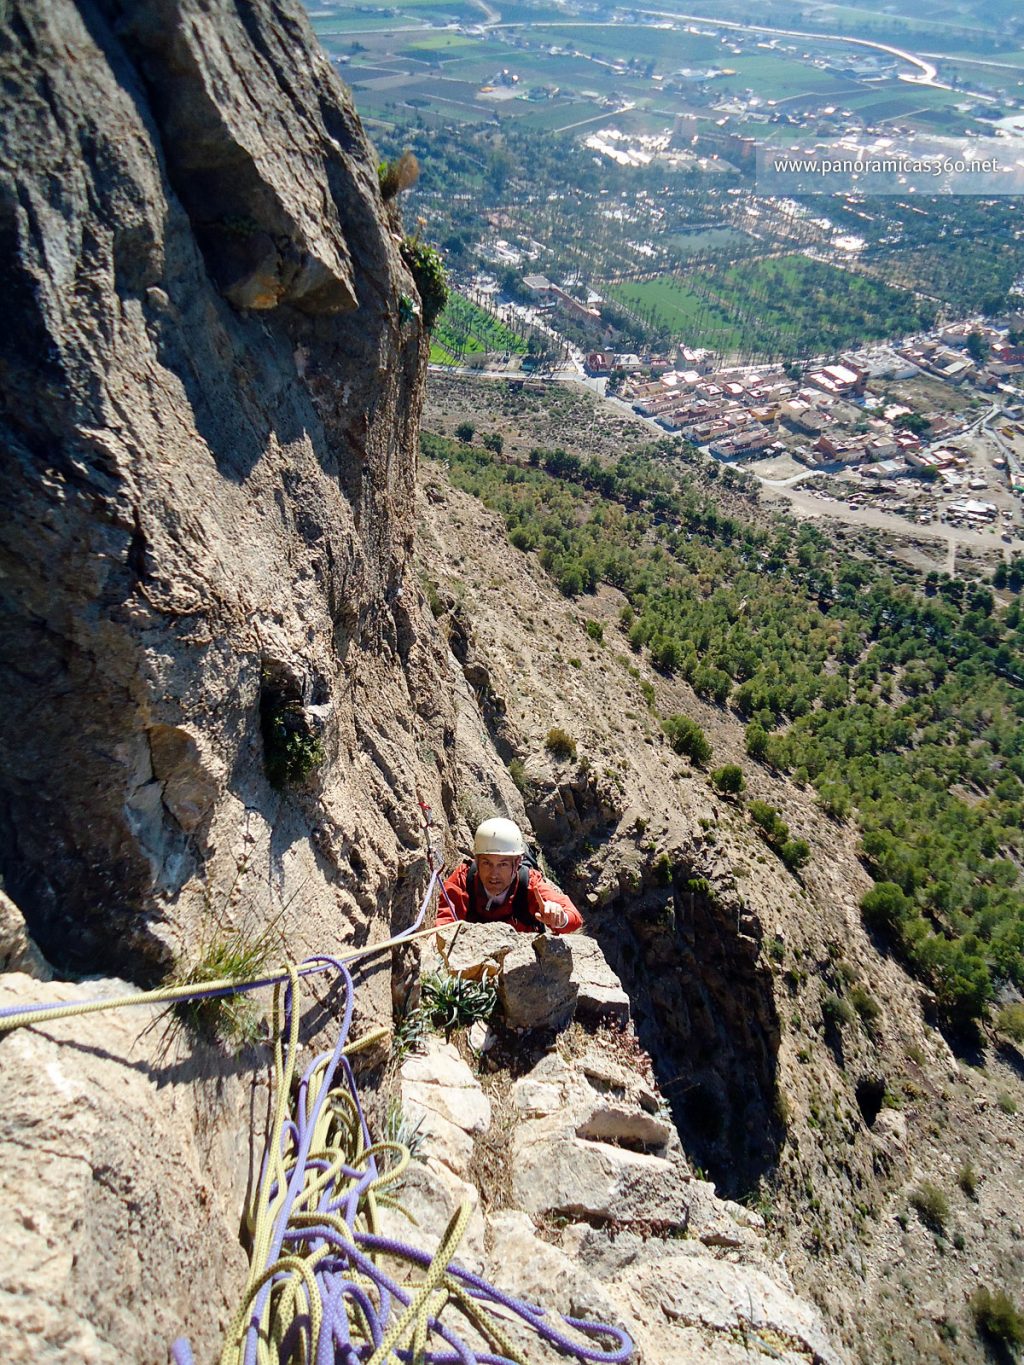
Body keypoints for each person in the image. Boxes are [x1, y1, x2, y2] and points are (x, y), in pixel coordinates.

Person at [438, 817, 582, 934]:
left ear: (517, 862)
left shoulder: (529, 884)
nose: (494, 874)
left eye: (503, 865)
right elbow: (444, 920)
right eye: (487, 863)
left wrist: (559, 918)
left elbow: (573, 918)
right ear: (476, 860)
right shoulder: (464, 879)